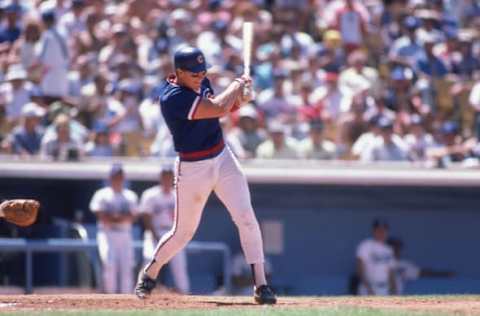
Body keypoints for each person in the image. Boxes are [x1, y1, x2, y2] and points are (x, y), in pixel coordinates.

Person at [135, 46, 276, 305]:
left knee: (246, 217)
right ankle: (150, 273)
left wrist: (242, 98)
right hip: (193, 167)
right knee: (183, 232)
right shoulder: (172, 97)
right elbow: (215, 108)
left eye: (203, 71)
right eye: (195, 73)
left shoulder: (201, 81)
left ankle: (261, 285)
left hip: (223, 158)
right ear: (178, 72)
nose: (201, 76)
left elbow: (226, 108)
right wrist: (236, 85)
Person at [89, 163, 138, 294]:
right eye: (115, 176)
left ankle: (126, 299)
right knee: (109, 265)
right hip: (107, 234)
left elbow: (132, 217)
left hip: (124, 234)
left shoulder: (130, 195)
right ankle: (110, 298)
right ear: (110, 178)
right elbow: (101, 215)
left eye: (120, 176)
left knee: (127, 267)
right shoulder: (102, 194)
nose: (117, 178)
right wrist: (119, 217)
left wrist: (114, 217)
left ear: (123, 178)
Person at [139, 168, 190, 294]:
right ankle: (142, 290)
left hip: (173, 233)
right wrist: (154, 234)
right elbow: (146, 216)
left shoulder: (177, 195)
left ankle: (184, 293)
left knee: (179, 265)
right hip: (155, 232)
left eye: (169, 176)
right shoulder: (151, 194)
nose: (167, 179)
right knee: (149, 260)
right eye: (165, 176)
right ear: (160, 178)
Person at [387, 237, 454, 295]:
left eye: (398, 248)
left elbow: (424, 273)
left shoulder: (404, 265)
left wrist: (444, 274)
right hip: (380, 296)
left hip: (394, 297)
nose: (396, 250)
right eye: (393, 248)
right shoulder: (380, 263)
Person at [356, 219, 397, 296]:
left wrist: (394, 290)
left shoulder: (389, 249)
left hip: (384, 288)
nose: (381, 233)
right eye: (378, 230)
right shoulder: (365, 245)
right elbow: (359, 268)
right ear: (373, 231)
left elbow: (391, 272)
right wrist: (368, 288)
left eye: (384, 230)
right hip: (368, 287)